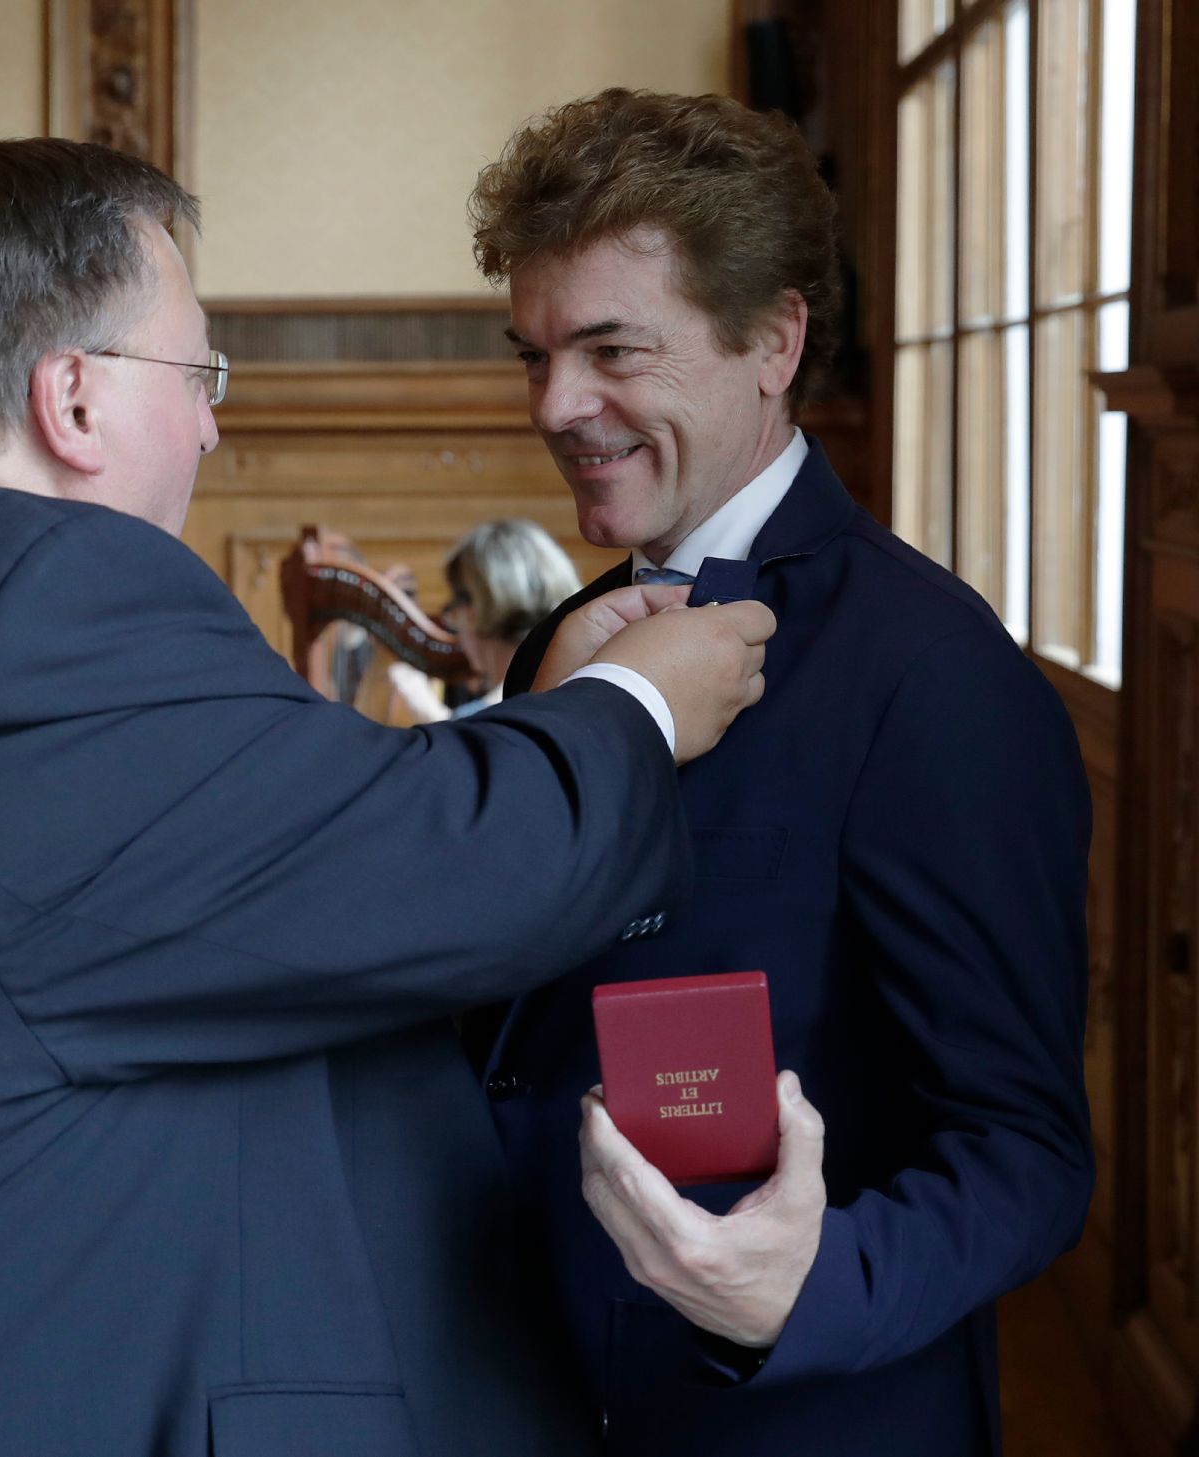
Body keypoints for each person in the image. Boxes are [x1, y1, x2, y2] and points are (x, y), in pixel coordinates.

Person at [0, 139, 774, 1457]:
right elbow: (442, 868)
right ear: (77, 400)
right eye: (199, 372)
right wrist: (640, 704)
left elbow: (167, 870)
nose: (214, 422)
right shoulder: (33, 586)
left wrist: (535, 712)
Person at [469, 89, 1091, 1456]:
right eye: (535, 355)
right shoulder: (569, 642)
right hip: (523, 1392)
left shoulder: (937, 679)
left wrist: (799, 1288)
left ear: (773, 339)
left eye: (611, 349)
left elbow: (1030, 1153)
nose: (557, 405)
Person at [388, 518, 582, 722]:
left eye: (452, 608)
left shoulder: (499, 715)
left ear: (474, 610)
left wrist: (431, 715)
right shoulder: (575, 678)